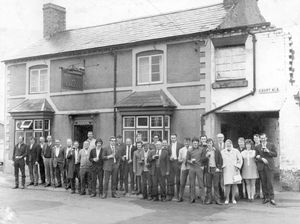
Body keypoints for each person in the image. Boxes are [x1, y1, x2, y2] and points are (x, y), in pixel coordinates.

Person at [255, 133, 277, 205]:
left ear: (266, 138)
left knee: (270, 182)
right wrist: (262, 159)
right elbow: (256, 157)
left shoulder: (271, 145)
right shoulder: (258, 146)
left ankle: (272, 198)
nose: (263, 139)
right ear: (260, 139)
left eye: (264, 138)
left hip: (269, 166)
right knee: (263, 183)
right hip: (261, 166)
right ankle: (266, 197)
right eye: (261, 138)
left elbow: (275, 154)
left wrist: (268, 151)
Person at [221, 139, 243, 205]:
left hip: (234, 169)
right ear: (225, 144)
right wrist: (222, 167)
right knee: (227, 184)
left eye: (229, 143)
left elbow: (240, 159)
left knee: (234, 184)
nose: (228, 145)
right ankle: (227, 198)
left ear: (231, 144)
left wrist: (238, 166)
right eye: (227, 143)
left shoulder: (236, 151)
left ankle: (233, 198)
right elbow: (220, 160)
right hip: (226, 169)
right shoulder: (222, 152)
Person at [186, 137, 206, 204]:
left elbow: (203, 159)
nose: (195, 144)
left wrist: (202, 166)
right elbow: (187, 160)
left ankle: (203, 198)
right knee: (192, 184)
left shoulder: (201, 149)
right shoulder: (189, 150)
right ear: (192, 143)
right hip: (192, 168)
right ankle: (192, 198)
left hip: (199, 168)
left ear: (198, 143)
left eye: (196, 143)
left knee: (201, 184)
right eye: (194, 143)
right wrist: (190, 161)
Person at [204, 138, 223, 205]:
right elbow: (202, 160)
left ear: (212, 143)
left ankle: (217, 199)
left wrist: (219, 168)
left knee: (216, 185)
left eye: (210, 143)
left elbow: (220, 160)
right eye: (208, 143)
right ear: (206, 144)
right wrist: (206, 157)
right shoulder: (204, 151)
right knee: (208, 185)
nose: (209, 144)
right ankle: (209, 199)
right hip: (208, 169)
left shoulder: (216, 151)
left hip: (215, 169)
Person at [168, 133, 184, 201]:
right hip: (171, 163)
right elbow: (167, 155)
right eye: (172, 138)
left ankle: (178, 195)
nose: (173, 139)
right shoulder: (169, 146)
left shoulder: (180, 145)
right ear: (170, 138)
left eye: (174, 138)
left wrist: (180, 163)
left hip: (177, 163)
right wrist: (169, 157)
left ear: (176, 138)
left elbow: (183, 154)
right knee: (171, 180)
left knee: (178, 180)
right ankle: (171, 195)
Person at [177, 137, 191, 202]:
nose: (187, 143)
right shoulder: (181, 150)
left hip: (191, 167)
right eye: (185, 142)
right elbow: (178, 159)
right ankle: (180, 197)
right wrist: (182, 160)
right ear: (184, 142)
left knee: (191, 183)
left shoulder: (192, 149)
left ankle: (191, 197)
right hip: (184, 167)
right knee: (182, 183)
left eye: (188, 142)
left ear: (190, 142)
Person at [215, 133, 225, 200]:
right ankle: (220, 195)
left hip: (226, 166)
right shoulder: (215, 146)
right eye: (219, 138)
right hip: (218, 166)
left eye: (221, 137)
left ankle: (227, 195)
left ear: (223, 138)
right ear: (217, 138)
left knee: (226, 180)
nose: (220, 139)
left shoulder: (227, 145)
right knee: (218, 181)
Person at [253, 134, 262, 199]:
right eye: (254, 139)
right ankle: (257, 193)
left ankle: (265, 193)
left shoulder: (262, 146)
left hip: (261, 164)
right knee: (256, 180)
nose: (256, 140)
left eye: (257, 138)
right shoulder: (253, 146)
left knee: (263, 179)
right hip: (254, 165)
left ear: (259, 139)